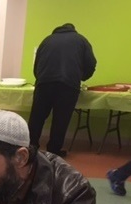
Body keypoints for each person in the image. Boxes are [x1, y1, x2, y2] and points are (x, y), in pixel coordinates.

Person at [28, 23, 97, 157]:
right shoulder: (81, 40)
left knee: (37, 117)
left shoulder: (47, 40)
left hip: (44, 83)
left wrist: (41, 77)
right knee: (61, 120)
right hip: (68, 85)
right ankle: (53, 151)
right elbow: (91, 64)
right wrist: (81, 77)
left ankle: (31, 146)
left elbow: (37, 64)